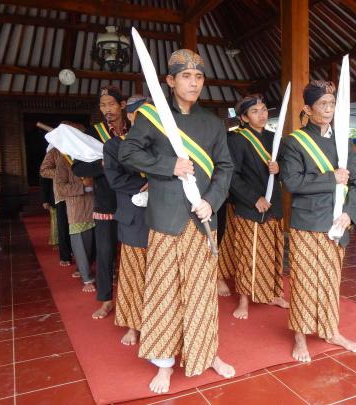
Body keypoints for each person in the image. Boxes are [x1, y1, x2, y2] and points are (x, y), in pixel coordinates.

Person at [118, 49, 235, 393]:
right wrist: (168, 165)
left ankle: (207, 352)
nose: (193, 83)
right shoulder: (151, 116)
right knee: (165, 292)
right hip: (166, 219)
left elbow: (225, 168)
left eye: (199, 77)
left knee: (202, 292)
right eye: (186, 76)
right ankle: (164, 363)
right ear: (170, 81)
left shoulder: (213, 123)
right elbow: (128, 153)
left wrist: (212, 203)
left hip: (201, 220)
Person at [279, 80, 356, 363]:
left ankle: (330, 330)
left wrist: (349, 213)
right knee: (304, 281)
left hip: (337, 222)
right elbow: (291, 182)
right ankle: (300, 336)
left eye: (331, 104)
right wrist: (331, 178)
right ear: (308, 108)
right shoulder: (293, 142)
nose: (328, 110)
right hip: (307, 223)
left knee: (331, 280)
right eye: (322, 105)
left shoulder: (344, 141)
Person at [227, 94, 287, 320]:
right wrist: (254, 198)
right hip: (250, 208)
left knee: (274, 252)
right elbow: (232, 176)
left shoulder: (275, 138)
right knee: (248, 254)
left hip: (274, 206)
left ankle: (275, 292)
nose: (262, 115)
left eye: (263, 110)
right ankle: (244, 299)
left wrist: (279, 168)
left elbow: (287, 169)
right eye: (255, 111)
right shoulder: (237, 140)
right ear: (243, 117)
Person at [72, 86, 128, 320]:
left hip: (134, 202)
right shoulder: (94, 134)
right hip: (106, 203)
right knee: (105, 254)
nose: (107, 109)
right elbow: (78, 167)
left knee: (132, 255)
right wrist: (103, 166)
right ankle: (106, 301)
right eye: (103, 105)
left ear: (122, 105)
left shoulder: (135, 128)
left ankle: (132, 300)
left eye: (111, 104)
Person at [103, 95, 149, 346]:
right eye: (141, 113)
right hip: (133, 218)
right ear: (130, 116)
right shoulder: (114, 146)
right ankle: (132, 325)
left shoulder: (162, 144)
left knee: (159, 274)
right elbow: (115, 180)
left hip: (162, 216)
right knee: (133, 274)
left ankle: (158, 322)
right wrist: (147, 183)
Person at [55, 148, 95, 292]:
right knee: (80, 245)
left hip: (95, 205)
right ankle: (87, 278)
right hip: (77, 208)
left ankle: (81, 268)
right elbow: (60, 188)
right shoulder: (63, 160)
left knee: (91, 245)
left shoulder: (89, 154)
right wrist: (82, 186)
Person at [40, 147, 73, 266]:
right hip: (62, 194)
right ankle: (65, 256)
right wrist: (62, 172)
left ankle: (76, 251)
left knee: (79, 226)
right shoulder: (54, 151)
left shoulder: (77, 147)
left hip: (80, 193)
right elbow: (44, 171)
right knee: (63, 226)